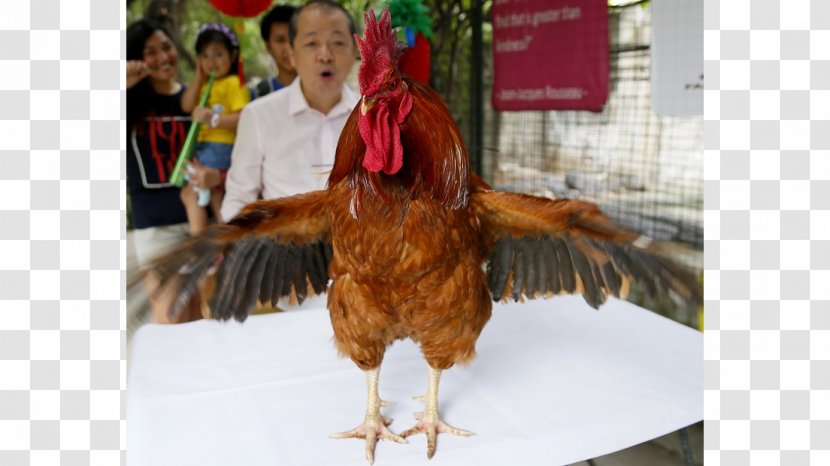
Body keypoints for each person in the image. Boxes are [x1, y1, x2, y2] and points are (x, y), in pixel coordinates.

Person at [220, 0, 360, 221]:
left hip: (361, 252)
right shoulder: (258, 116)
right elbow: (238, 199)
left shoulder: (375, 115)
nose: (325, 55)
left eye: (338, 42)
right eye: (312, 43)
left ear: (355, 52)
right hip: (282, 248)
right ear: (292, 54)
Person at [126, 19, 202, 323]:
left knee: (202, 316)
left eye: (166, 47)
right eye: (150, 52)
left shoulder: (192, 99)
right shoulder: (129, 104)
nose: (162, 57)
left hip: (198, 221)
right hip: (157, 228)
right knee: (171, 318)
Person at [180, 22, 251, 234]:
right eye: (205, 56)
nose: (211, 61)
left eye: (218, 54)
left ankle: (211, 246)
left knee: (204, 195)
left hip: (220, 148)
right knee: (200, 196)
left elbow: (243, 118)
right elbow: (186, 105)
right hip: (202, 147)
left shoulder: (233, 83)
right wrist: (198, 78)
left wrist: (213, 118)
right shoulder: (203, 84)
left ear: (232, 55)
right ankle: (217, 246)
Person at [250, 4, 298, 99]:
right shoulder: (258, 94)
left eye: (294, 37)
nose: (289, 47)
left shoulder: (326, 88)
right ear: (268, 47)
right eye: (280, 40)